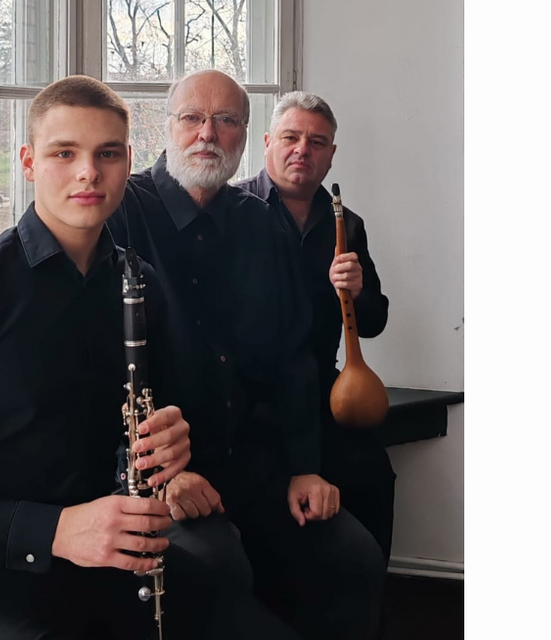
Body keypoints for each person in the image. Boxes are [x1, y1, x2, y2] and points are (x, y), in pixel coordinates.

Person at [0, 75, 296, 640]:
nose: (89, 172)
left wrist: (172, 446)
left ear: (128, 162)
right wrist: (56, 531)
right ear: (29, 162)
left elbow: (158, 415)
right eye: (64, 153)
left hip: (109, 550)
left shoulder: (140, 283)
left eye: (107, 154)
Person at [106, 70, 385, 640]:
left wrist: (304, 466)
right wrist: (161, 473)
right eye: (192, 118)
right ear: (168, 126)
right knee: (217, 567)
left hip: (255, 465)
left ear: (244, 133)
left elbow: (293, 356)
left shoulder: (260, 222)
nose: (208, 134)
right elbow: (93, 370)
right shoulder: (123, 211)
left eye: (226, 120)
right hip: (164, 474)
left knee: (353, 557)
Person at [235, 91, 396, 561]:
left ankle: (367, 595)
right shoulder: (231, 211)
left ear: (331, 155)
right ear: (268, 142)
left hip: (322, 394)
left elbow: (374, 322)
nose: (302, 150)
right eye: (291, 137)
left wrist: (357, 291)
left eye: (317, 142)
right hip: (248, 400)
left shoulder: (348, 225)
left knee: (373, 476)